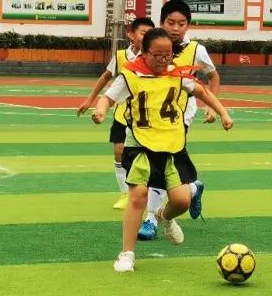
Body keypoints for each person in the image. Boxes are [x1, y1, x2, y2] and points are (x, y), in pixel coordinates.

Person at [91, 28, 233, 273]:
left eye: (168, 55)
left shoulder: (178, 75)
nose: (164, 60)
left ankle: (163, 217)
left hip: (172, 145)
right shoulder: (130, 75)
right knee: (138, 196)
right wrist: (101, 110)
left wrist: (223, 113)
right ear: (145, 52)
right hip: (140, 144)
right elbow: (108, 97)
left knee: (182, 201)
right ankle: (127, 254)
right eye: (158, 55)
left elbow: (202, 91)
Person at [138, 0, 220, 239]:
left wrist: (212, 106)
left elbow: (213, 76)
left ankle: (151, 219)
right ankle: (193, 188)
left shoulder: (196, 50)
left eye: (181, 23)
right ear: (161, 22)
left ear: (188, 25)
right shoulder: (152, 45)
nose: (175, 28)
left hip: (181, 116)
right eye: (170, 22)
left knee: (159, 164)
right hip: (152, 117)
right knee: (158, 166)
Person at [76, 17, 155, 209]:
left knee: (150, 156)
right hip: (122, 112)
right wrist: (91, 100)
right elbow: (106, 77)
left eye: (150, 34)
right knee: (119, 151)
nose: (146, 37)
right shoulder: (121, 56)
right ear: (131, 34)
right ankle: (126, 193)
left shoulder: (155, 57)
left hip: (146, 115)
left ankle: (154, 193)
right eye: (143, 33)